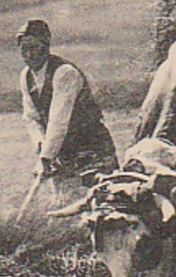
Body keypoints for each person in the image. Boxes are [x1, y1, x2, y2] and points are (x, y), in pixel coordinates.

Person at [16, 19, 117, 205]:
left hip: (91, 148)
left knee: (100, 202)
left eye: (34, 47)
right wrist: (40, 146)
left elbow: (58, 121)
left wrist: (46, 157)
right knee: (64, 203)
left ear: (46, 47)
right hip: (61, 151)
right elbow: (31, 117)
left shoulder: (64, 73)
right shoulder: (26, 76)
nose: (29, 54)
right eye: (24, 49)